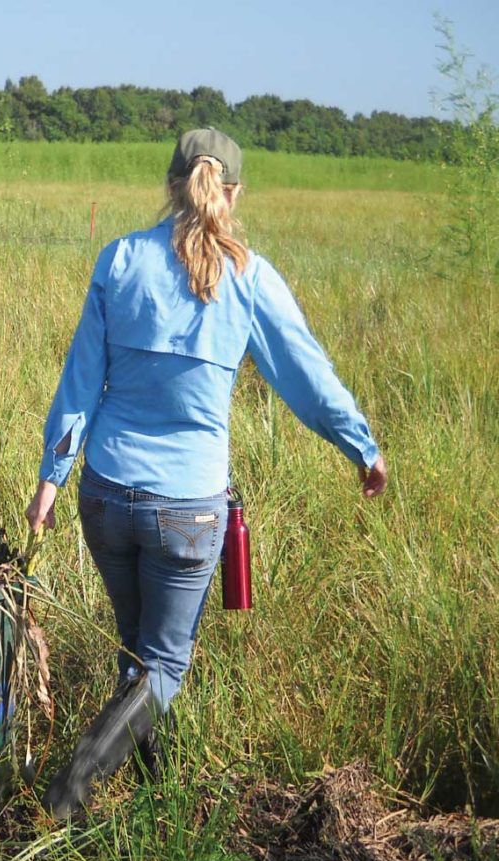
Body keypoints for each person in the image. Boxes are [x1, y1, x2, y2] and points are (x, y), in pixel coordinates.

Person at [25, 128, 388, 820]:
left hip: (105, 494)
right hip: (189, 511)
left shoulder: (121, 258)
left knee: (138, 656)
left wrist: (52, 474)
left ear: (171, 184)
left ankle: (156, 804)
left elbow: (80, 379)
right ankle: (71, 789)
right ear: (234, 192)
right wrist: (360, 446)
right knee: (164, 668)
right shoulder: (248, 275)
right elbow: (305, 375)